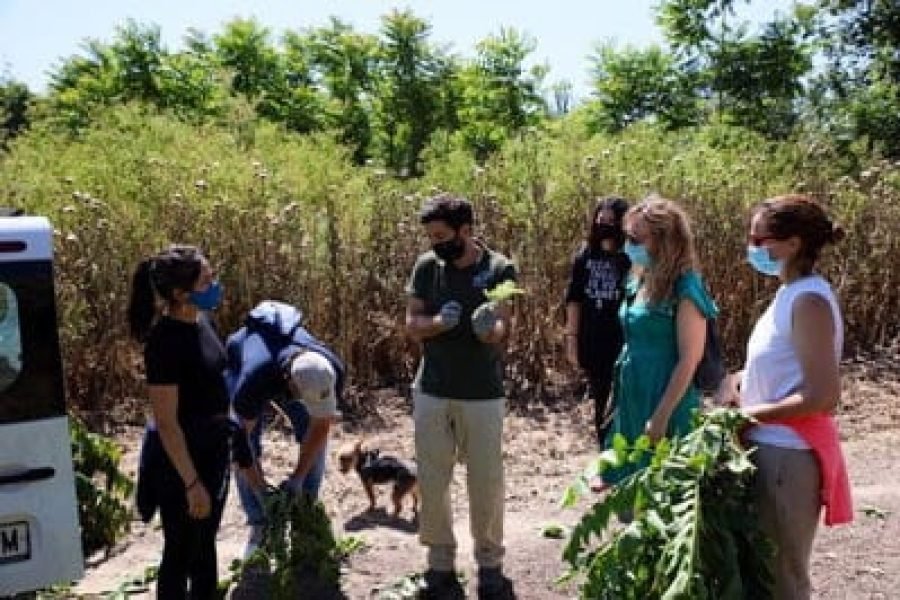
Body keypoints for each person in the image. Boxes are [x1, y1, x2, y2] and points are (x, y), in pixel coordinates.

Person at [717, 195, 852, 599]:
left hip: (786, 459)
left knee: (782, 582)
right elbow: (782, 368)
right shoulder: (788, 295)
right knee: (759, 575)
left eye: (760, 239)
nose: (752, 246)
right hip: (767, 451)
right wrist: (739, 381)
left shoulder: (809, 301)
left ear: (792, 244)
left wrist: (749, 416)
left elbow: (823, 394)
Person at [127, 245, 259, 599]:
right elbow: (167, 422)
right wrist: (191, 483)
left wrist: (235, 439)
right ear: (179, 293)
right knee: (180, 552)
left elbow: (216, 385)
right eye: (206, 281)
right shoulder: (165, 342)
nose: (215, 285)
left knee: (205, 547)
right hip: (181, 462)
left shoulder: (204, 322)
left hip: (213, 452)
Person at [405, 194, 517, 600]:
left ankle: (489, 565)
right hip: (433, 389)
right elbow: (413, 324)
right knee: (433, 480)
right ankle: (439, 565)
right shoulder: (427, 267)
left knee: (485, 481)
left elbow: (504, 328)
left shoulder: (499, 268)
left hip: (482, 393)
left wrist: (490, 329)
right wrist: (437, 322)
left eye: (442, 235)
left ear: (465, 231)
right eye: (431, 236)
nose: (435, 243)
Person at [598, 195, 717, 489]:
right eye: (628, 237)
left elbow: (690, 359)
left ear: (664, 241)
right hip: (633, 396)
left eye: (637, 239)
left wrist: (661, 416)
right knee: (629, 492)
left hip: (665, 397)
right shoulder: (639, 279)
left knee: (663, 493)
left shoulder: (686, 288)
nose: (629, 245)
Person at [225, 300, 345, 557]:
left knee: (313, 437)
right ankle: (259, 523)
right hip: (247, 364)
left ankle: (305, 512)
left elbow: (321, 425)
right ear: (291, 385)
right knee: (247, 444)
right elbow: (239, 442)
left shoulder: (331, 369)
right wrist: (261, 489)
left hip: (287, 372)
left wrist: (298, 478)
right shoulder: (254, 378)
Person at [564, 196, 631, 446]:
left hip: (623, 339)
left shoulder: (630, 257)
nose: (604, 225)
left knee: (625, 397)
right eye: (600, 220)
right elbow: (574, 298)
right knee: (601, 398)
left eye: (611, 221)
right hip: (593, 339)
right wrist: (571, 339)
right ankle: (605, 449)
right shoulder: (585, 255)